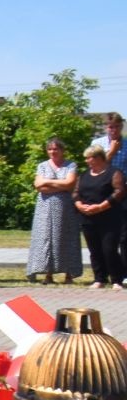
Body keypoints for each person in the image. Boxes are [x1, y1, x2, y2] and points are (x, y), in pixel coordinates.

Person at [26, 137, 82, 285]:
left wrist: (48, 182)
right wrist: (60, 185)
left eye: (56, 149)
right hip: (44, 208)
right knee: (46, 238)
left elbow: (70, 183)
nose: (52, 152)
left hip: (65, 209)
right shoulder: (42, 166)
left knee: (66, 237)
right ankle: (48, 274)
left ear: (62, 150)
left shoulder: (70, 165)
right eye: (50, 149)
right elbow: (38, 185)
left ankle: (68, 275)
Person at [74, 144, 126, 289]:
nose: (86, 161)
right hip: (88, 218)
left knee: (109, 249)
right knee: (94, 250)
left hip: (109, 218)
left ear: (98, 158)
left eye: (89, 158)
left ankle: (116, 280)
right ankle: (99, 278)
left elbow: (119, 192)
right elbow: (76, 192)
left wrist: (101, 206)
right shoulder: (84, 175)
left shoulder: (114, 173)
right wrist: (79, 204)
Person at [90, 113, 127, 281]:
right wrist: (111, 152)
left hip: (123, 191)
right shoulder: (97, 144)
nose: (114, 130)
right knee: (102, 235)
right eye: (110, 126)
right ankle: (102, 274)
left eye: (117, 126)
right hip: (102, 191)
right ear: (106, 127)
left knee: (124, 236)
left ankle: (124, 273)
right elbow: (96, 166)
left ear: (122, 126)